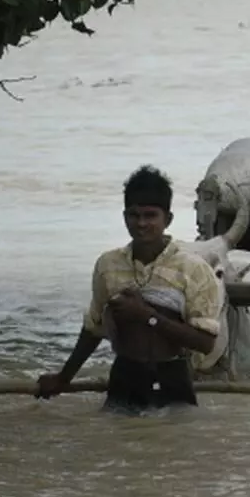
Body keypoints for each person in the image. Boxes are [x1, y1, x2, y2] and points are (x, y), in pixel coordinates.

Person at [34, 166, 223, 414]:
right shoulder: (108, 265)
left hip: (172, 377)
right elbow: (93, 328)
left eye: (150, 215)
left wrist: (146, 316)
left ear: (168, 219)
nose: (141, 224)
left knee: (178, 444)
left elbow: (205, 343)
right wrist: (63, 378)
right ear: (124, 217)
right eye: (134, 215)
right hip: (124, 377)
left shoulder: (193, 269)